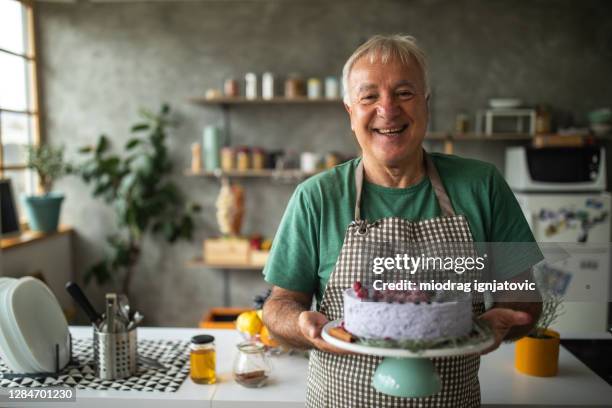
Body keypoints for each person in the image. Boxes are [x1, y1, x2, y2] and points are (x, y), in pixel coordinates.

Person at [263, 34, 542, 408]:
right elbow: (278, 305)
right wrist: (301, 326)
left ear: (426, 104)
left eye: (404, 93)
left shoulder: (482, 185)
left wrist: (501, 322)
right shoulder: (317, 197)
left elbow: (525, 299)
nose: (388, 109)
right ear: (350, 111)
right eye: (369, 96)